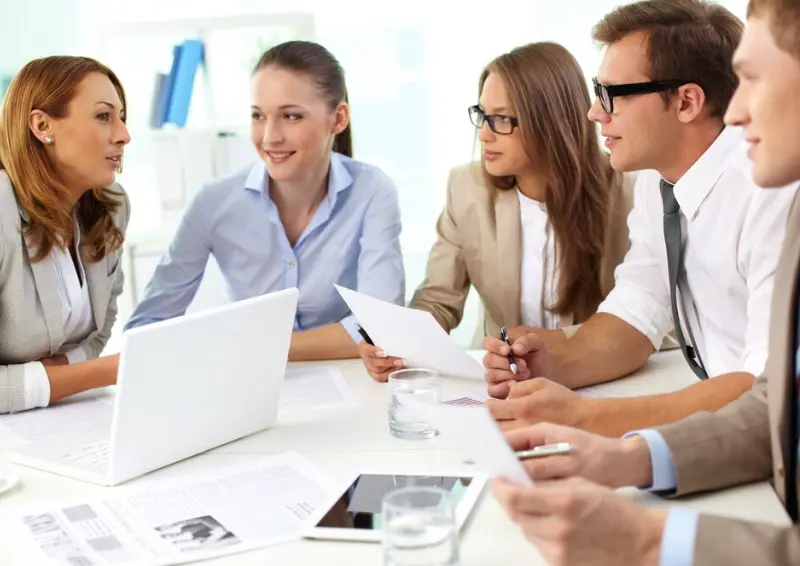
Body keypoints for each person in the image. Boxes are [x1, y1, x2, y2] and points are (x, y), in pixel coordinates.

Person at [491, 1, 800, 563]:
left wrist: (590, 419)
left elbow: (762, 385)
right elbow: (639, 307)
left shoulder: (773, 191)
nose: (592, 112)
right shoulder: (664, 185)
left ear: (685, 101)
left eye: (610, 94)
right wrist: (556, 365)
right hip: (743, 454)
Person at [358, 42, 638, 382]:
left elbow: (657, 323)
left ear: (551, 121)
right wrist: (396, 344)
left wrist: (555, 341)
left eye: (502, 119)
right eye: (483, 115)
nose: (485, 134)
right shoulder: (466, 188)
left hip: (604, 378)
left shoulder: (632, 191)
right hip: (499, 381)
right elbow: (438, 299)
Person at [125, 40, 404, 361]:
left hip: (348, 379)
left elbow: (382, 324)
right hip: (247, 382)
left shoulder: (371, 191)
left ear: (338, 118)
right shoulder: (214, 203)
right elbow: (145, 328)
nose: (270, 136)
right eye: (258, 116)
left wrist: (249, 346)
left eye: (291, 116)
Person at [0, 56, 130, 414]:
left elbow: (98, 334)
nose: (123, 135)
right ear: (43, 125)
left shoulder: (112, 206)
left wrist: (44, 378)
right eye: (104, 116)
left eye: (121, 117)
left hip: (64, 416)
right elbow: (97, 361)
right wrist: (103, 371)